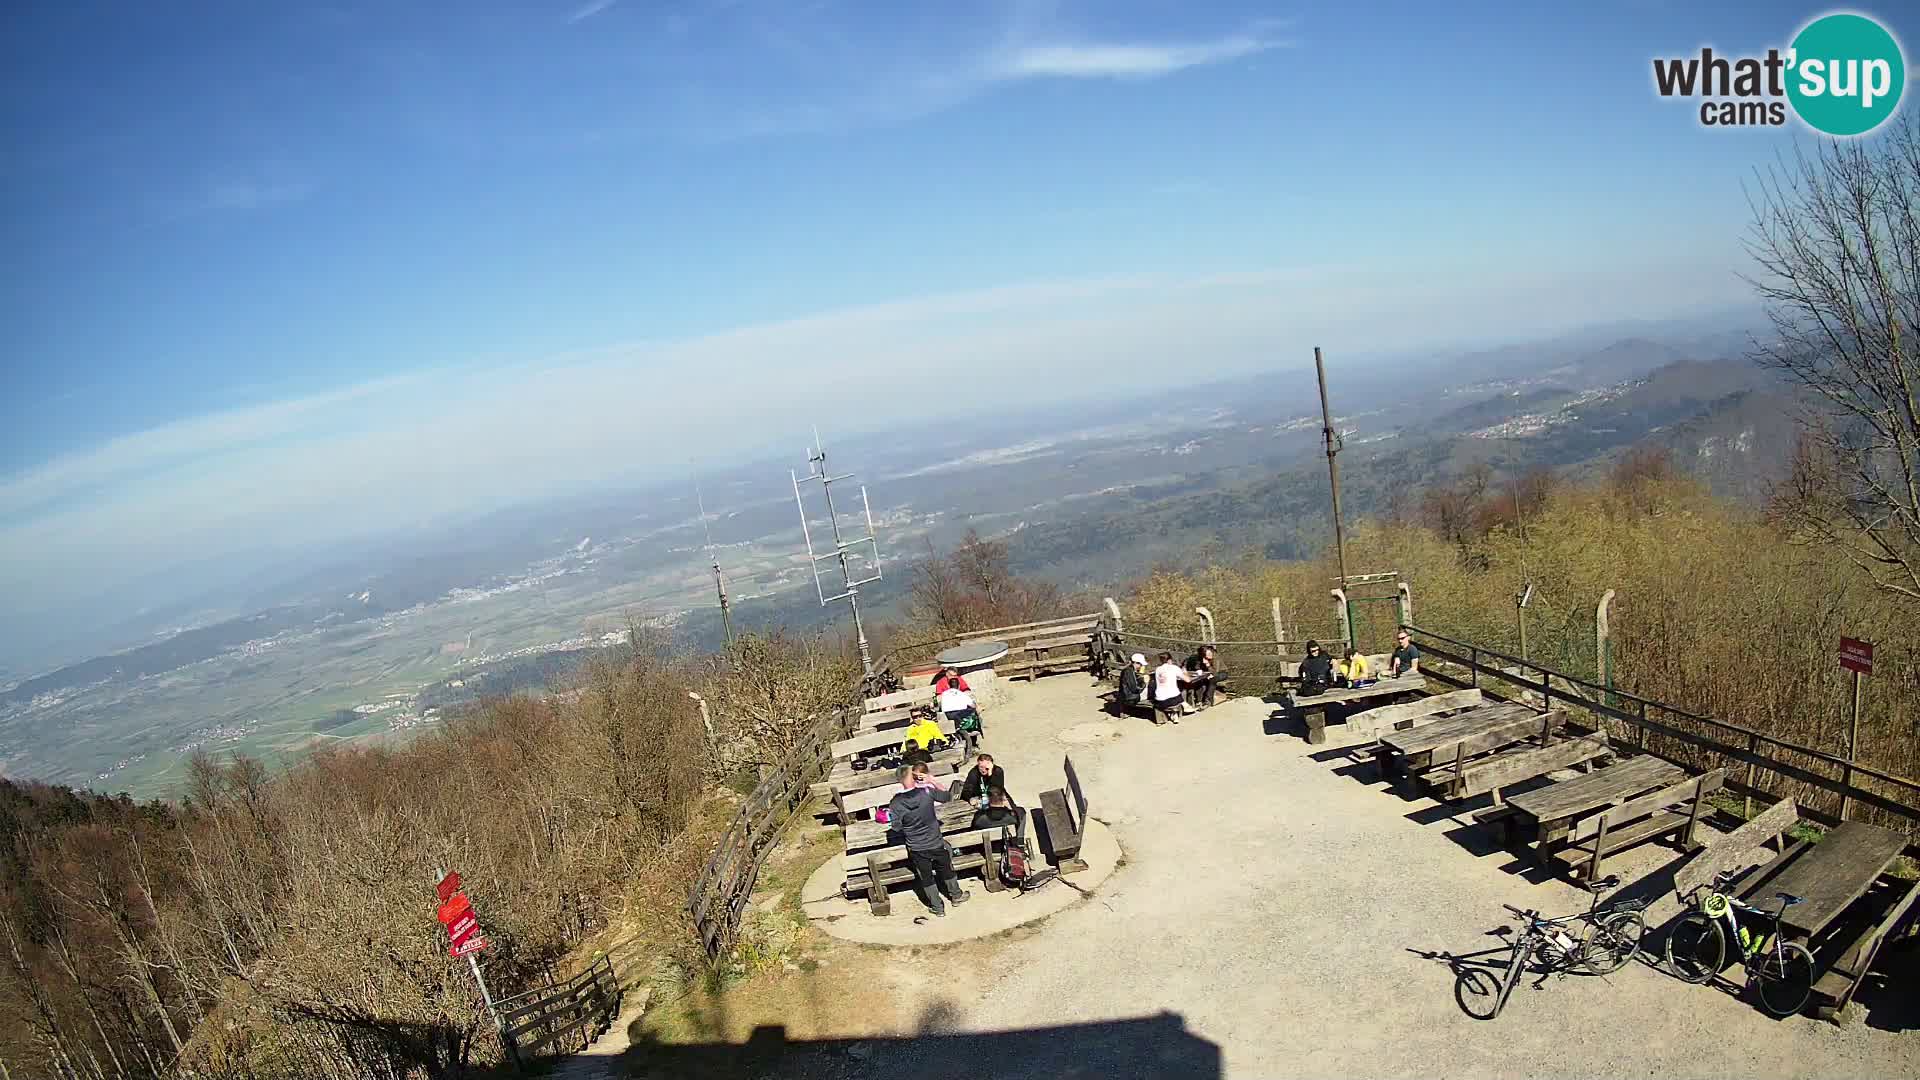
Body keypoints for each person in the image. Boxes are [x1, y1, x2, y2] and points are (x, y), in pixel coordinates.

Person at [885, 766, 970, 915]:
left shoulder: (895, 803)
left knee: (926, 877)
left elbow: (896, 826)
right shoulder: (926, 792)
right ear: (913, 776)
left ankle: (937, 907)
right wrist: (931, 779)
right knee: (946, 868)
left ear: (899, 780)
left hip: (917, 847)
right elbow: (947, 797)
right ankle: (956, 895)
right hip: (935, 841)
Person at [936, 679, 983, 745]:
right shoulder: (961, 694)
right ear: (959, 686)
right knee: (975, 713)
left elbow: (940, 706)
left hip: (948, 718)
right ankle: (974, 737)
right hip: (961, 720)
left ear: (949, 686)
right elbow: (973, 706)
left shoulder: (944, 694)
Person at [1150, 651, 1186, 725]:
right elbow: (1187, 680)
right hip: (1174, 700)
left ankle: (1161, 720)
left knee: (1157, 699)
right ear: (1170, 660)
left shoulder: (1158, 669)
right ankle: (1176, 711)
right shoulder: (1174, 668)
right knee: (1181, 690)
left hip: (1160, 700)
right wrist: (1184, 672)